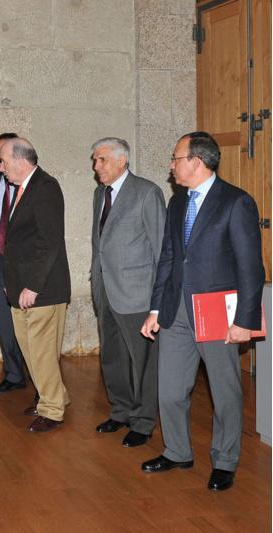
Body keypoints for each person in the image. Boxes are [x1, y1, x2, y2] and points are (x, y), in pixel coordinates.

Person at [140, 131, 264, 491]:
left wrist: (245, 320)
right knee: (170, 389)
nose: (171, 165)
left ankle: (225, 460)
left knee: (225, 392)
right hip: (176, 311)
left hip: (218, 314)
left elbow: (250, 268)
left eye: (175, 158)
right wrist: (155, 308)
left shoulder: (235, 202)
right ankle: (177, 450)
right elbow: (168, 258)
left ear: (196, 161)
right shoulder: (177, 202)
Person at [90, 137, 165, 447]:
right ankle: (121, 410)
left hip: (137, 294)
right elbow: (101, 244)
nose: (96, 167)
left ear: (122, 161)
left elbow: (162, 249)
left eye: (102, 160)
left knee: (143, 362)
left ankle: (145, 420)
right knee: (112, 356)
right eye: (94, 161)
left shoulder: (147, 192)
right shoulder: (99, 194)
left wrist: (157, 303)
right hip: (105, 290)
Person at [0, 137, 71, 432]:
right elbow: (18, 243)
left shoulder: (45, 188)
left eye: (2, 160)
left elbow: (49, 243)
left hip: (43, 290)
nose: (0, 166)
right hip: (20, 287)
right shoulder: (23, 188)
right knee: (31, 351)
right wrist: (11, 283)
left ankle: (53, 410)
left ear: (20, 159)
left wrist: (33, 286)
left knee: (41, 352)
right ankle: (54, 396)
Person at [0, 132, 28, 394]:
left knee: (27, 322)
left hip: (21, 263)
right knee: (4, 320)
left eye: (0, 152)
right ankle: (13, 374)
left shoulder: (28, 184)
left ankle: (36, 376)